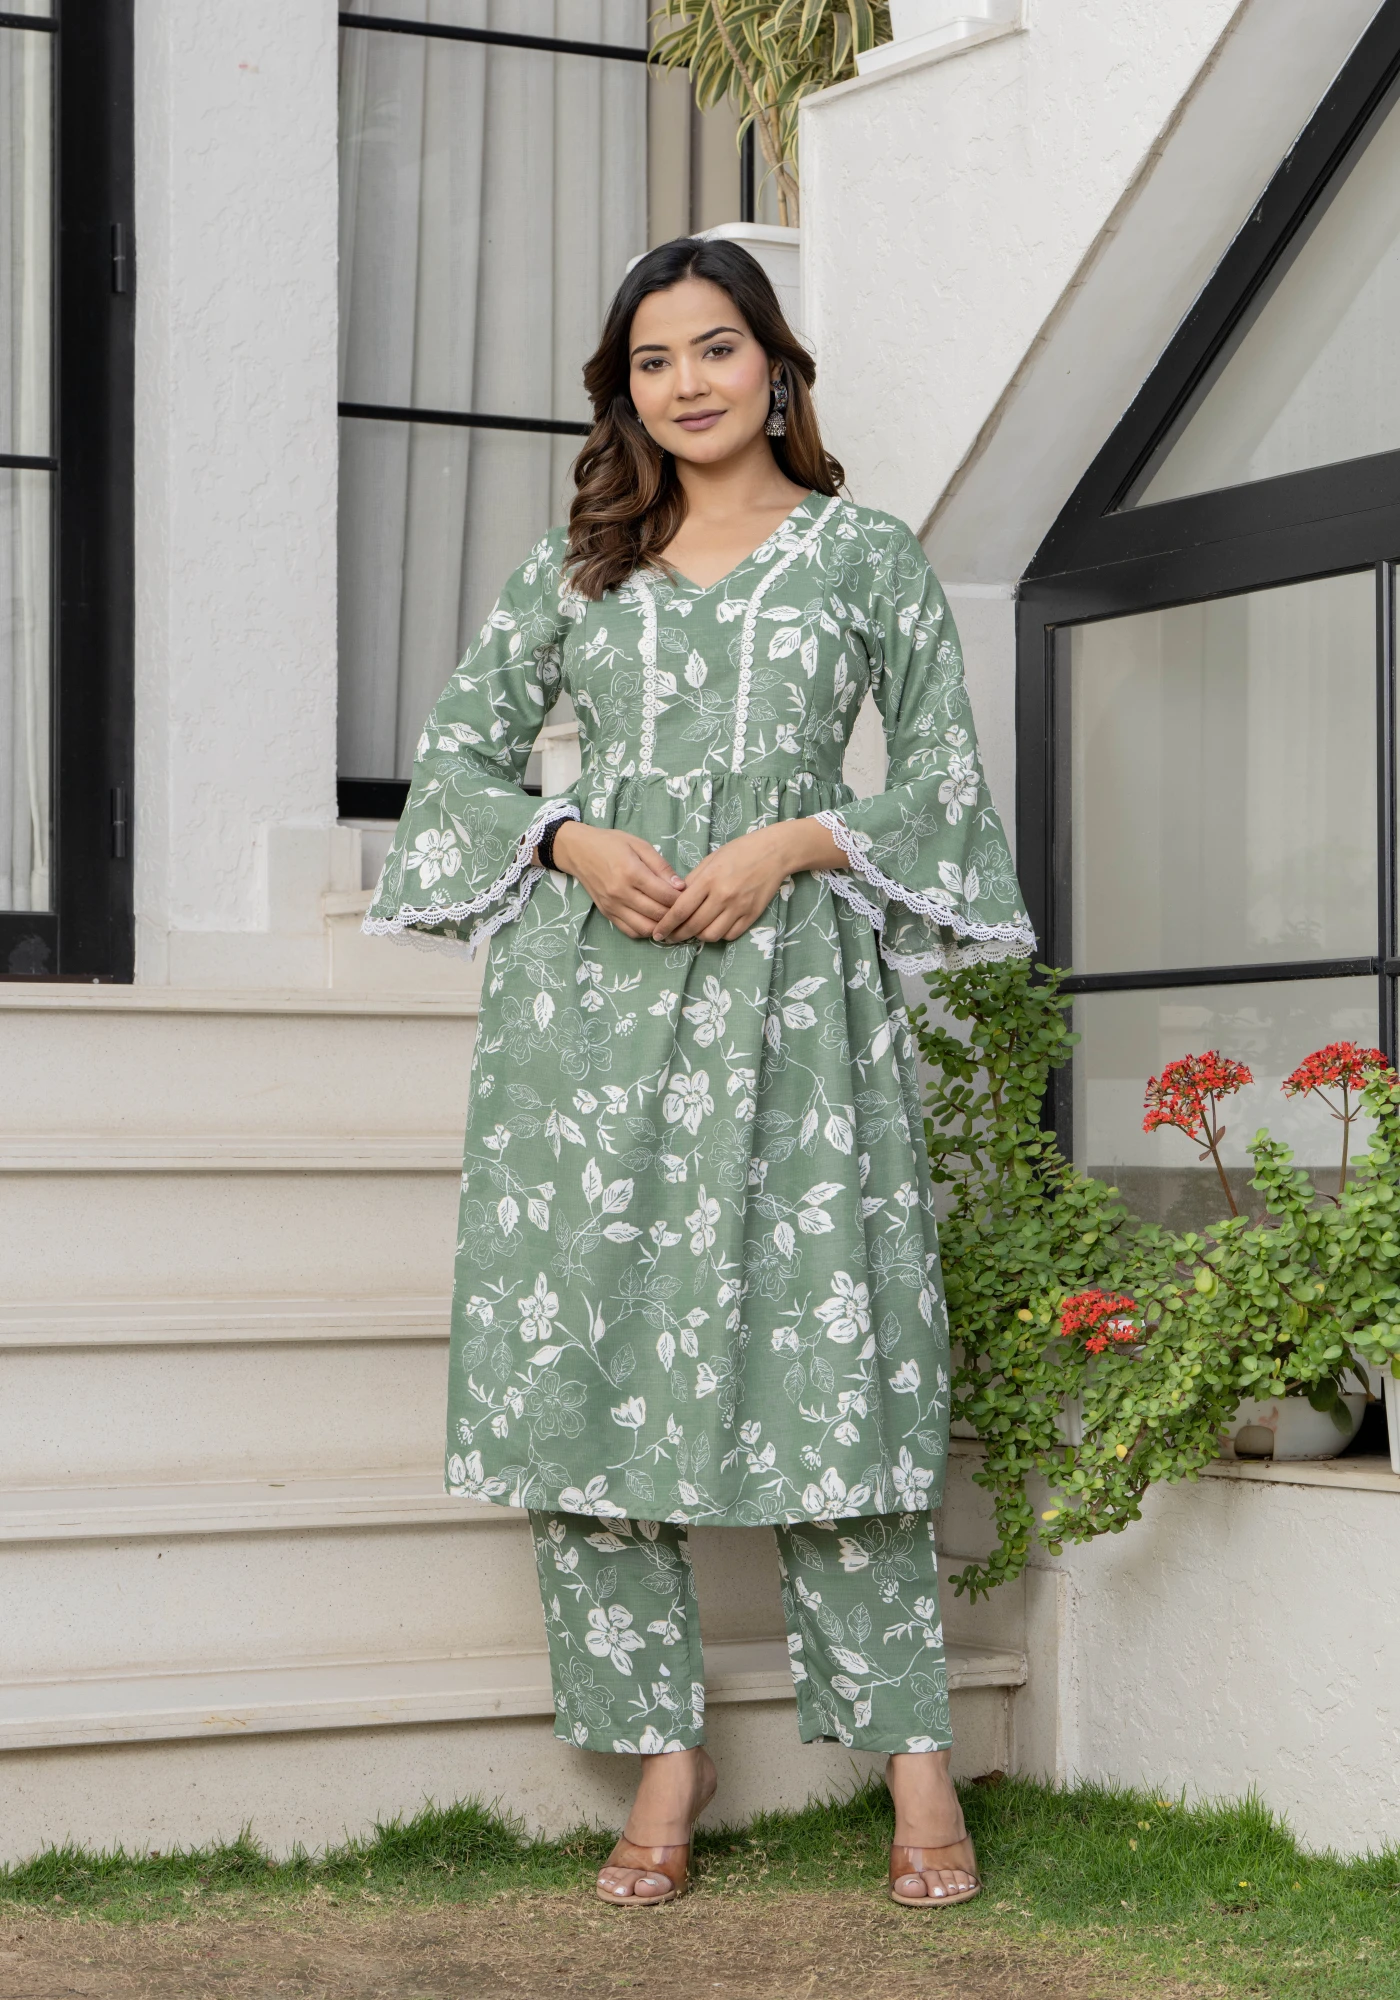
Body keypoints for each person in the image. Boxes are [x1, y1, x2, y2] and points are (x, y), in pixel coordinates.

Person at [364, 237, 1033, 1909]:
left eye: (716, 347)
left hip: (795, 1008)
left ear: (775, 364)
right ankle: (664, 1755)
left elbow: (947, 784)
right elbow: (453, 765)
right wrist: (572, 841)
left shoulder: (865, 554)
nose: (688, 383)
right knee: (583, 1362)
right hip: (589, 1019)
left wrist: (799, 841)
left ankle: (915, 1759)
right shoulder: (577, 566)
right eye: (652, 361)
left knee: (830, 1358)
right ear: (625, 392)